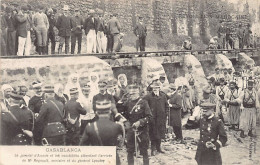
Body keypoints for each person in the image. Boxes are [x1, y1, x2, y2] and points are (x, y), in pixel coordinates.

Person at [80, 99, 123, 165]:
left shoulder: (90, 127)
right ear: (110, 112)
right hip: (113, 159)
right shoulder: (117, 126)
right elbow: (120, 144)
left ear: (96, 112)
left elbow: (83, 146)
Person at [119, 83, 152, 165]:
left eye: (134, 93)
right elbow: (122, 115)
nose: (132, 95)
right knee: (130, 150)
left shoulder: (143, 103)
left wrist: (140, 122)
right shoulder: (127, 103)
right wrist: (126, 122)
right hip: (131, 129)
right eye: (130, 94)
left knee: (144, 151)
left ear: (138, 93)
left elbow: (149, 117)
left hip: (142, 130)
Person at [143, 81, 168, 156]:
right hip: (152, 119)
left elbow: (166, 106)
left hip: (161, 118)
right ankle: (153, 149)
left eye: (157, 88)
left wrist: (165, 114)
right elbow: (143, 104)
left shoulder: (163, 96)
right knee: (153, 133)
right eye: (154, 88)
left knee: (160, 133)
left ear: (159, 88)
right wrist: (148, 114)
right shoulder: (148, 96)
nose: (155, 89)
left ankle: (159, 148)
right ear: (152, 88)